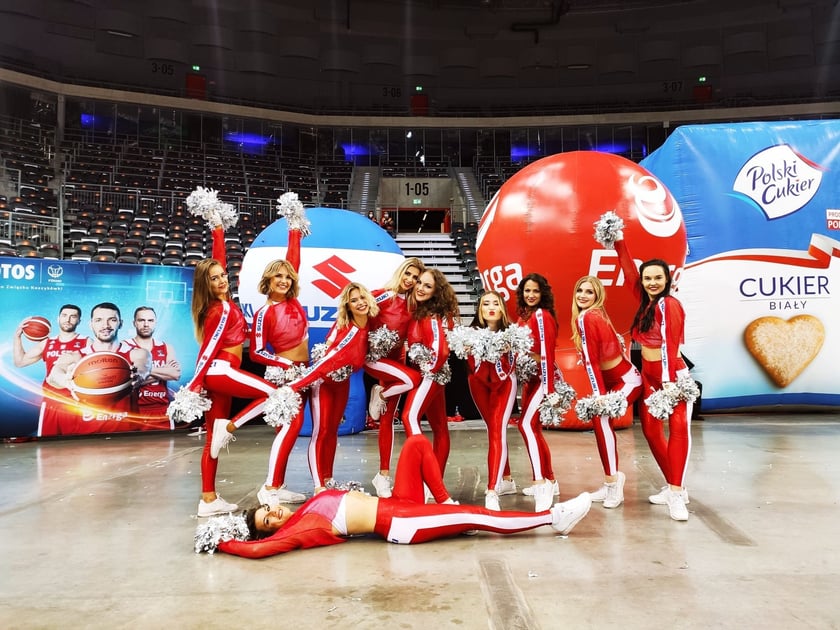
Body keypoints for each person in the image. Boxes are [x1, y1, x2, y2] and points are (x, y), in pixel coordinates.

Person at [205, 435, 593, 558]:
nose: (273, 517)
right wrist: (220, 540)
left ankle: (444, 505)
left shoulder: (303, 506)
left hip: (403, 503)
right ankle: (553, 518)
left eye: (266, 513)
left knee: (417, 445)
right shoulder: (301, 529)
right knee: (479, 516)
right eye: (267, 524)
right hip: (400, 522)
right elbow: (256, 550)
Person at [186, 221, 279, 518]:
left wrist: (218, 232)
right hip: (220, 370)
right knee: (274, 394)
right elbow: (209, 348)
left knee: (211, 441)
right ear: (206, 285)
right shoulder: (221, 309)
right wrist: (195, 383)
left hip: (219, 372)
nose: (222, 280)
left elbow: (218, 261)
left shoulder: (219, 304)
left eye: (223, 275)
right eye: (214, 279)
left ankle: (208, 499)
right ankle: (231, 427)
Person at [615, 241, 693, 521]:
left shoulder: (670, 304)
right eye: (647, 278)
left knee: (679, 429)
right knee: (650, 431)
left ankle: (675, 493)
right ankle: (676, 485)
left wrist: (669, 380)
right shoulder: (646, 304)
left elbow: (671, 344)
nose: (651, 282)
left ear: (667, 279)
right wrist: (619, 241)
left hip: (672, 376)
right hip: (649, 374)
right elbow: (628, 272)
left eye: (657, 277)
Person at [282, 282, 380, 494]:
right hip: (323, 383)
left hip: (341, 383)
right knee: (322, 432)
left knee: (332, 432)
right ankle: (319, 486)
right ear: (348, 306)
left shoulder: (369, 325)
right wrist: (294, 387)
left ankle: (328, 479)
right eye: (354, 300)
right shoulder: (349, 331)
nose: (360, 303)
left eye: (362, 297)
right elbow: (326, 362)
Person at [249, 220, 310, 505]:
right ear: (268, 282)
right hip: (284, 377)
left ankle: (278, 485)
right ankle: (270, 487)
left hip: (303, 373)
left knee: (288, 432)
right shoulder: (265, 312)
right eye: (278, 278)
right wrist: (285, 366)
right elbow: (256, 352)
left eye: (287, 277)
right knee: (290, 428)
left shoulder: (293, 301)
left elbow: (293, 261)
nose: (284, 280)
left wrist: (294, 231)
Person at [570, 276, 642, 509]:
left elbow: (591, 361)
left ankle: (613, 482)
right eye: (580, 290)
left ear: (597, 296)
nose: (583, 295)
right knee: (600, 421)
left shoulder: (587, 316)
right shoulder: (596, 315)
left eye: (589, 292)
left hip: (626, 381)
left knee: (600, 419)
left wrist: (598, 395)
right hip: (620, 381)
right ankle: (611, 480)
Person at [363, 257, 425, 498]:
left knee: (388, 419)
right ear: (401, 272)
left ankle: (383, 476)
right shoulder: (381, 295)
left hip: (396, 362)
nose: (410, 281)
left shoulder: (414, 305)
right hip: (375, 359)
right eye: (408, 274)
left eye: (416, 278)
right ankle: (380, 393)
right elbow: (357, 312)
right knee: (412, 380)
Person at [46, 302, 153, 434]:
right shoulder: (76, 356)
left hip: (126, 435)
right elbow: (54, 374)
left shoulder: (136, 353)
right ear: (91, 324)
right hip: (85, 436)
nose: (105, 326)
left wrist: (139, 375)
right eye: (98, 320)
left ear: (121, 323)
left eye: (112, 320)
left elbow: (144, 366)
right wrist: (66, 381)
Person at [465, 291, 530, 511]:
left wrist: (509, 351)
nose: (491, 307)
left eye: (496, 303)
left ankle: (492, 490)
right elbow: (473, 367)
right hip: (479, 385)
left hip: (504, 385)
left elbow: (511, 367)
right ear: (479, 310)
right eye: (486, 304)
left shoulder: (512, 335)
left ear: (502, 309)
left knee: (497, 431)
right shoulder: (469, 334)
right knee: (492, 429)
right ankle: (507, 480)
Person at [401, 268, 460, 478]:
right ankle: (434, 482)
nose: (420, 288)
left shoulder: (433, 315)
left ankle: (427, 477)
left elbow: (441, 349)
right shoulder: (423, 311)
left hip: (431, 375)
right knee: (440, 427)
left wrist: (429, 371)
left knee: (409, 417)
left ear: (436, 292)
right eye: (419, 283)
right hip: (431, 374)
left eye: (428, 286)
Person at [514, 273, 560, 501]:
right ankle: (550, 480)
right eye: (527, 291)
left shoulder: (541, 315)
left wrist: (549, 389)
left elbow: (547, 353)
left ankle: (541, 481)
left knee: (526, 425)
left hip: (543, 378)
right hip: (530, 378)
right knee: (533, 428)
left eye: (535, 291)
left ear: (543, 294)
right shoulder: (525, 315)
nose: (530, 295)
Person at [13, 304, 88, 437]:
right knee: (47, 447)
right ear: (58, 318)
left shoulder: (87, 342)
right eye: (64, 315)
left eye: (73, 316)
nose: (68, 319)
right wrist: (17, 337)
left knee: (76, 446)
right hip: (51, 403)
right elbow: (20, 362)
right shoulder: (47, 343)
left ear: (79, 321)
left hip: (75, 403)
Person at [126, 306, 182, 427]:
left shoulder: (166, 347)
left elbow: (175, 374)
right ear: (134, 323)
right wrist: (164, 373)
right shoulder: (125, 347)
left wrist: (143, 370)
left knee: (166, 446)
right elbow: (130, 382)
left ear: (155, 323)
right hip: (135, 411)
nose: (146, 324)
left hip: (162, 410)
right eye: (141, 320)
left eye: (150, 320)